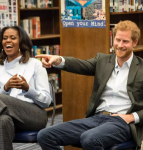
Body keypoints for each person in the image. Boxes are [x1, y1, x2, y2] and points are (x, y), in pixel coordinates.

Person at [36, 20, 143, 150]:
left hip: (122, 122)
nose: (120, 45)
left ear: (135, 42)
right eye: (117, 40)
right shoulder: (103, 61)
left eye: (125, 41)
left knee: (90, 139)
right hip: (97, 118)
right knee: (45, 135)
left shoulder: (141, 68)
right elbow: (81, 65)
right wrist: (58, 60)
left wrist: (131, 117)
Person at [0, 26, 52, 150]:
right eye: (5, 38)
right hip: (5, 116)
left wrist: (28, 89)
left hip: (33, 115)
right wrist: (6, 87)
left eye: (12, 38)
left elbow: (46, 101)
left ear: (21, 42)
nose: (8, 41)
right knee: (3, 121)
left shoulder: (36, 64)